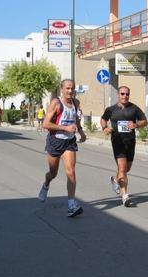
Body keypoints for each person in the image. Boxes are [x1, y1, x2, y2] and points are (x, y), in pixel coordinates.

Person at [38, 79, 86, 218]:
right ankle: (46, 184)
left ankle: (71, 205)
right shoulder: (56, 103)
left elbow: (76, 119)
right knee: (53, 173)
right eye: (67, 88)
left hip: (69, 142)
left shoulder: (76, 103)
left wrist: (81, 131)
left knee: (71, 172)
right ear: (61, 89)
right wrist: (65, 127)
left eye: (72, 88)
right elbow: (46, 124)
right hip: (55, 141)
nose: (70, 91)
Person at [100, 86, 148, 207]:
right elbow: (103, 119)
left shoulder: (134, 108)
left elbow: (145, 121)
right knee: (122, 169)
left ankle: (115, 180)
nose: (124, 96)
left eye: (127, 94)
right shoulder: (111, 109)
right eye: (122, 94)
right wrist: (104, 128)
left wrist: (136, 125)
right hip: (117, 141)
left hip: (130, 141)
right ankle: (125, 196)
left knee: (126, 169)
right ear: (118, 94)